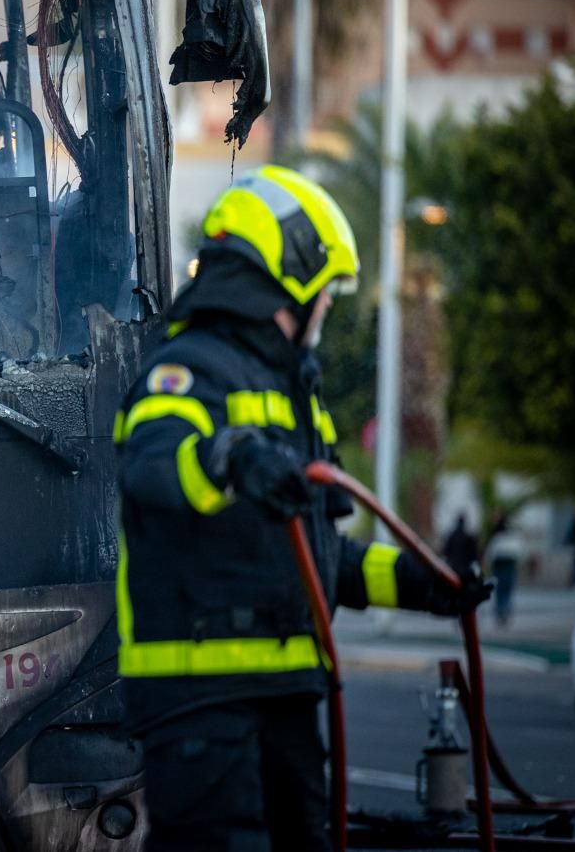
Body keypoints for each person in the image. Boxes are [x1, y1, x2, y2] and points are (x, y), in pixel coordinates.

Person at [114, 165, 492, 852]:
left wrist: (425, 583)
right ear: (287, 276)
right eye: (325, 290)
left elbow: (318, 553)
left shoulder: (295, 396)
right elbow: (154, 468)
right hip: (201, 703)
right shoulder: (186, 371)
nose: (325, 309)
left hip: (286, 698)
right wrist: (232, 457)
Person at [485, 512, 525, 627]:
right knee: (506, 592)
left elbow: (490, 555)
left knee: (500, 592)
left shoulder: (497, 538)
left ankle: (501, 611)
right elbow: (519, 553)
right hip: (509, 569)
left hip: (500, 569)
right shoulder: (512, 538)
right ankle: (504, 610)